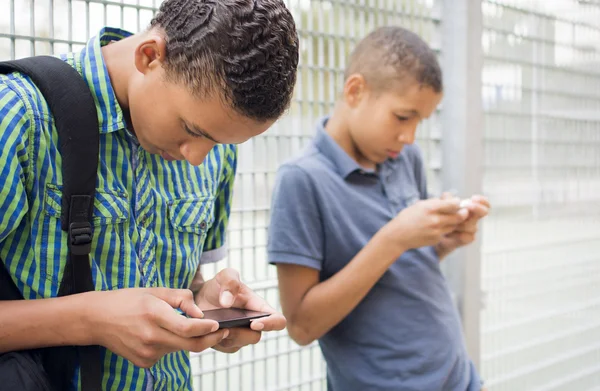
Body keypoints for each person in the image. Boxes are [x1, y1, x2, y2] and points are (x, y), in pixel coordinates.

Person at [0, 0, 298, 390]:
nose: (197, 159)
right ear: (150, 56)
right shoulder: (18, 116)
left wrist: (204, 305)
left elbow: (185, 280)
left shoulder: (216, 146)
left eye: (222, 141)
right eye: (193, 130)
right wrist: (90, 320)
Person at [268, 26, 490, 391]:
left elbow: (401, 268)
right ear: (355, 91)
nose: (410, 137)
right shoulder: (301, 180)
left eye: (420, 121)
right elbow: (301, 325)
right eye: (403, 117)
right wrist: (394, 238)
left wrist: (442, 241)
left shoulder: (405, 158)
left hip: (460, 379)